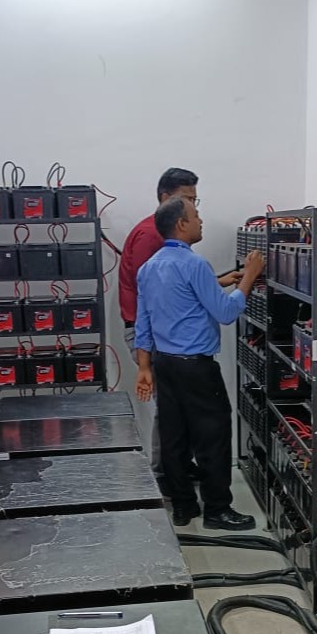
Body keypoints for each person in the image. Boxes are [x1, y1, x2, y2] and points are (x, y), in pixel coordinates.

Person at [134, 196, 265, 531]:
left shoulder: (149, 268)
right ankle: (217, 510)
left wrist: (144, 368)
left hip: (164, 365)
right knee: (212, 437)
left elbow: (143, 323)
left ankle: (183, 507)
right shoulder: (195, 265)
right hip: (196, 368)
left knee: (174, 438)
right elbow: (225, 312)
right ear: (181, 224)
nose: (200, 220)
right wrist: (250, 276)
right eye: (195, 215)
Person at [119, 168, 201, 486]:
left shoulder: (163, 235)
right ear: (165, 197)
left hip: (160, 333)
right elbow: (152, 292)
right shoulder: (150, 235)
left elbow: (174, 282)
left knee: (177, 405)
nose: (193, 208)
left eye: (195, 200)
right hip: (150, 335)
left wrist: (214, 282)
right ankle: (164, 472)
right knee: (168, 407)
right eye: (187, 199)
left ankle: (178, 464)